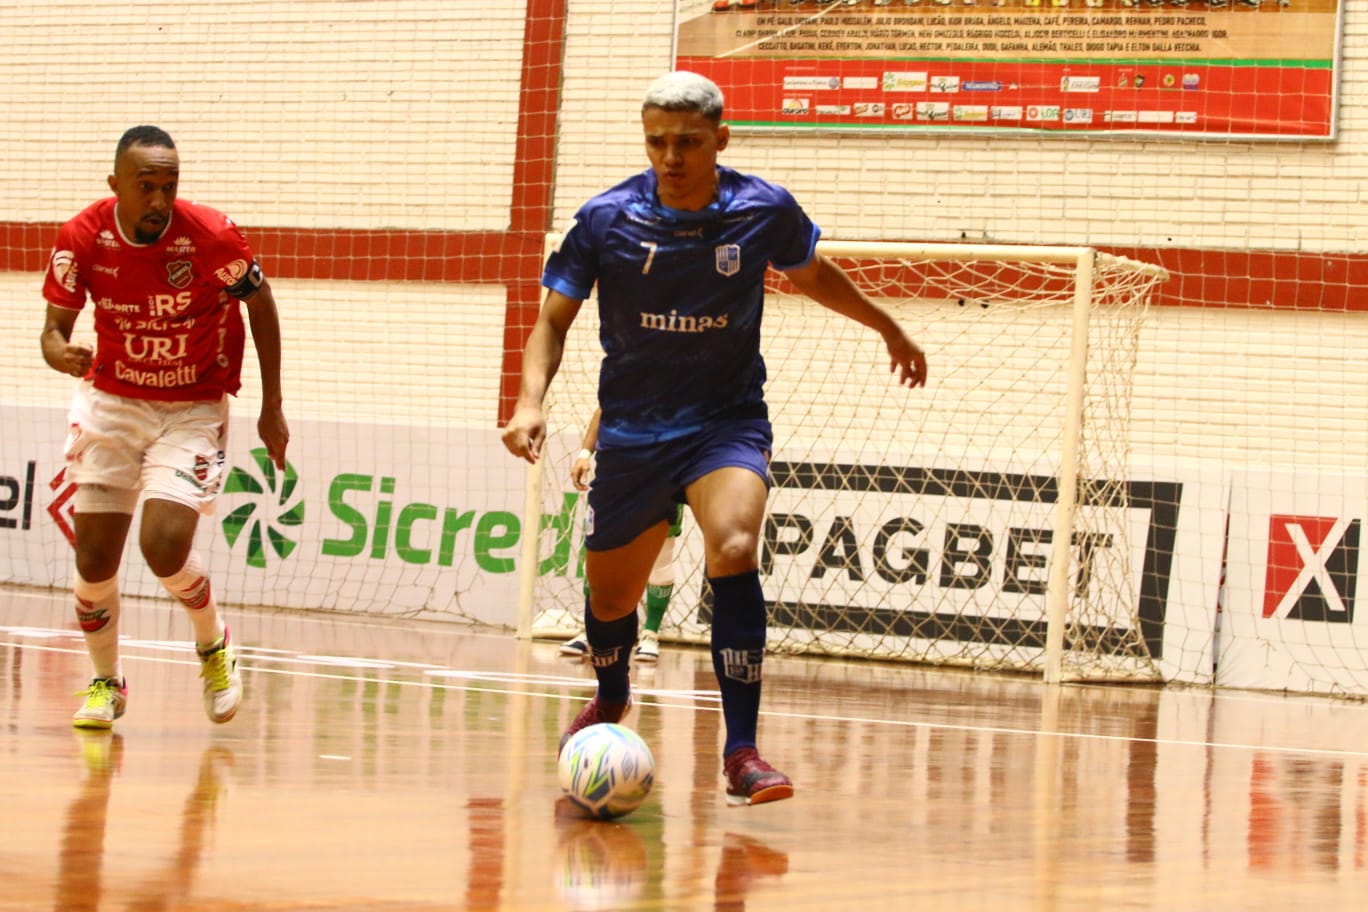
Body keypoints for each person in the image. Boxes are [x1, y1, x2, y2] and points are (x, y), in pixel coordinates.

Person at [502, 72, 925, 807]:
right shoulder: (605, 219)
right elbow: (552, 321)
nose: (671, 155)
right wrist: (529, 401)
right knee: (610, 600)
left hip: (725, 421)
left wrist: (887, 325)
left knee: (733, 545)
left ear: (720, 140)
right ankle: (611, 696)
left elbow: (814, 274)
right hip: (633, 430)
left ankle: (741, 752)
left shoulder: (762, 209)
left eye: (688, 142)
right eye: (657, 141)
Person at [40, 125, 289, 730]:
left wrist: (272, 404)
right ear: (116, 185)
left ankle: (213, 644)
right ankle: (106, 683)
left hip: (192, 405)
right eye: (145, 186)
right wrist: (58, 351)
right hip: (111, 404)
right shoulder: (83, 236)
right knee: (95, 561)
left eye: (168, 186)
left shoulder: (209, 237)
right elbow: (52, 331)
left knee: (162, 546)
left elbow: (260, 302)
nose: (158, 200)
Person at [560, 410, 679, 665]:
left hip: (662, 476)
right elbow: (602, 410)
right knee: (596, 558)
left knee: (660, 559)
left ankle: (650, 634)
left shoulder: (681, 386)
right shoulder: (625, 376)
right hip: (615, 476)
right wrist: (584, 454)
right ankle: (591, 631)